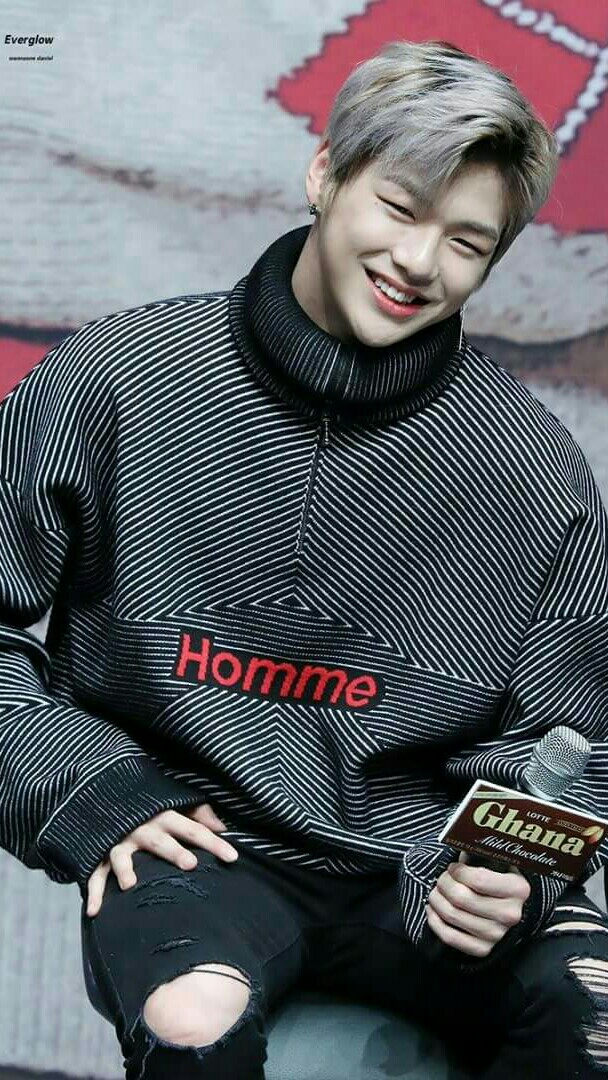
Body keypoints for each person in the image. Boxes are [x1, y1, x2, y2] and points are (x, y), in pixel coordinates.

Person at [1, 38, 608, 1079]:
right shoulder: (113, 378)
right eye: (400, 209)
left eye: (465, 242)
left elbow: (575, 739)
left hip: (419, 872)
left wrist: (512, 869)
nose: (418, 263)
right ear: (325, 173)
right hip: (200, 850)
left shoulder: (534, 467)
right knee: (193, 1019)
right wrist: (93, 790)